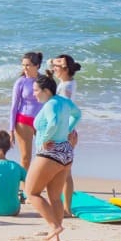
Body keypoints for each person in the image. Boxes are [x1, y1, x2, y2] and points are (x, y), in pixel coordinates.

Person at [25, 73, 81, 241]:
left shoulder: (50, 104)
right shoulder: (64, 101)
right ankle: (55, 236)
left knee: (31, 192)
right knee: (55, 197)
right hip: (66, 152)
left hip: (50, 153)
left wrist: (44, 139)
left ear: (46, 90)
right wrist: (68, 130)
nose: (33, 94)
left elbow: (54, 122)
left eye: (36, 90)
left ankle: (53, 226)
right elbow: (77, 114)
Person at [51, 54, 82, 215]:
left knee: (65, 171)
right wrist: (57, 62)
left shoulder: (66, 87)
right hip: (68, 129)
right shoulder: (67, 82)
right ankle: (64, 207)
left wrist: (63, 132)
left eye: (57, 66)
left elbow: (65, 112)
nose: (53, 68)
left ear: (65, 68)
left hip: (66, 131)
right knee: (63, 170)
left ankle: (67, 209)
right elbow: (51, 61)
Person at [8, 51, 44, 170]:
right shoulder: (20, 82)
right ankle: (25, 187)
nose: (25, 68)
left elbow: (51, 102)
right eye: (23, 65)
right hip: (24, 121)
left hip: (42, 122)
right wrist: (11, 130)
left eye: (28, 65)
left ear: (37, 65)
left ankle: (37, 183)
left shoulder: (44, 81)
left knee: (44, 155)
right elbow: (14, 106)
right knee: (26, 157)